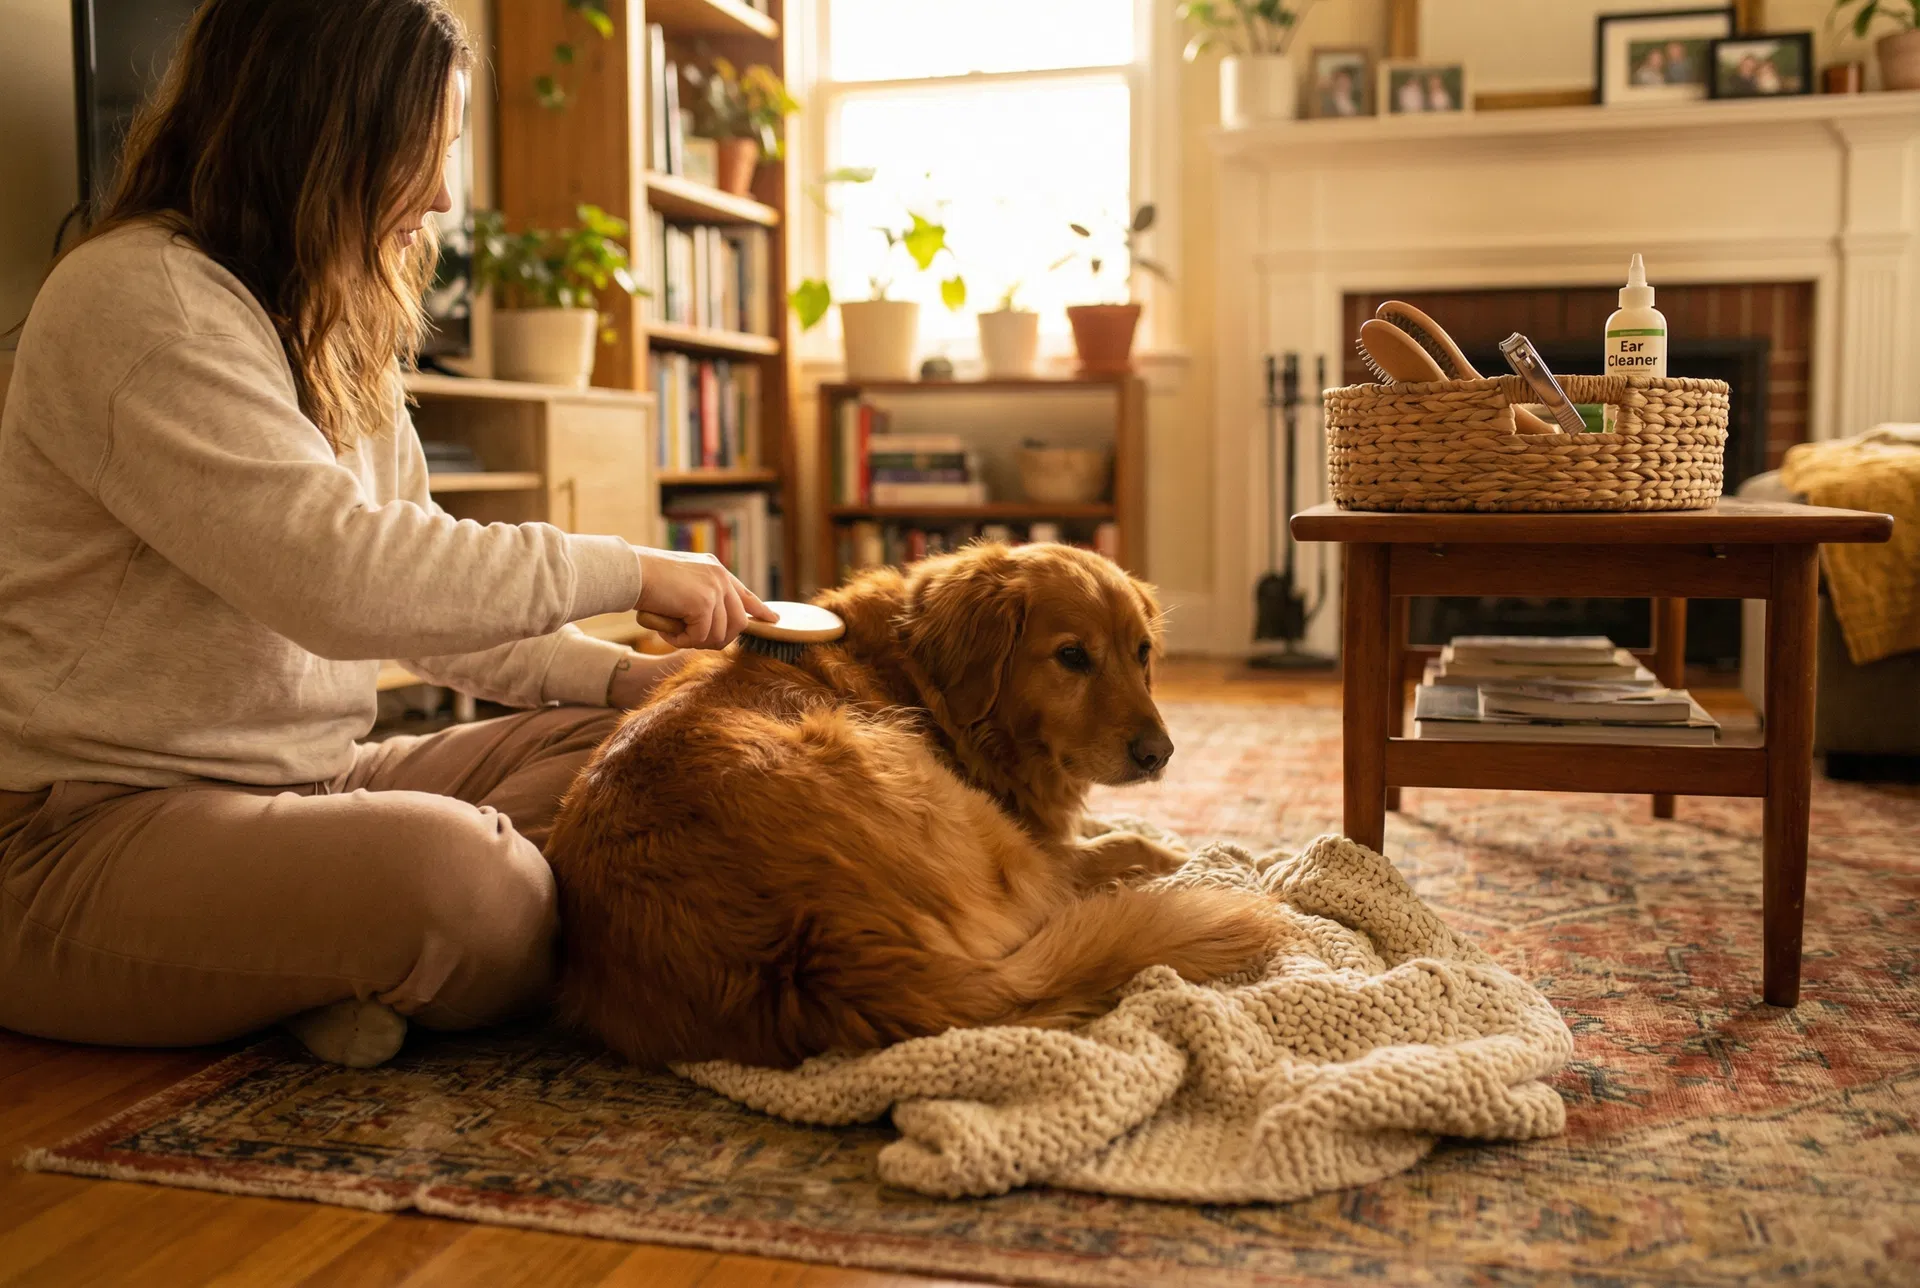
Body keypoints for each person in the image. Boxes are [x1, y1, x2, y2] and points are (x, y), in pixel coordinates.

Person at [0, 0, 771, 1069]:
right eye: (424, 147)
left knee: (662, 756)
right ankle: (354, 951)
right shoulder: (143, 302)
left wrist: (618, 684)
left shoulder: (325, 313)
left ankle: (323, 965)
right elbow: (345, 584)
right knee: (471, 888)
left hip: (312, 787)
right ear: (319, 127)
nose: (446, 194)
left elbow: (423, 598)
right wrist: (630, 568)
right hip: (77, 837)